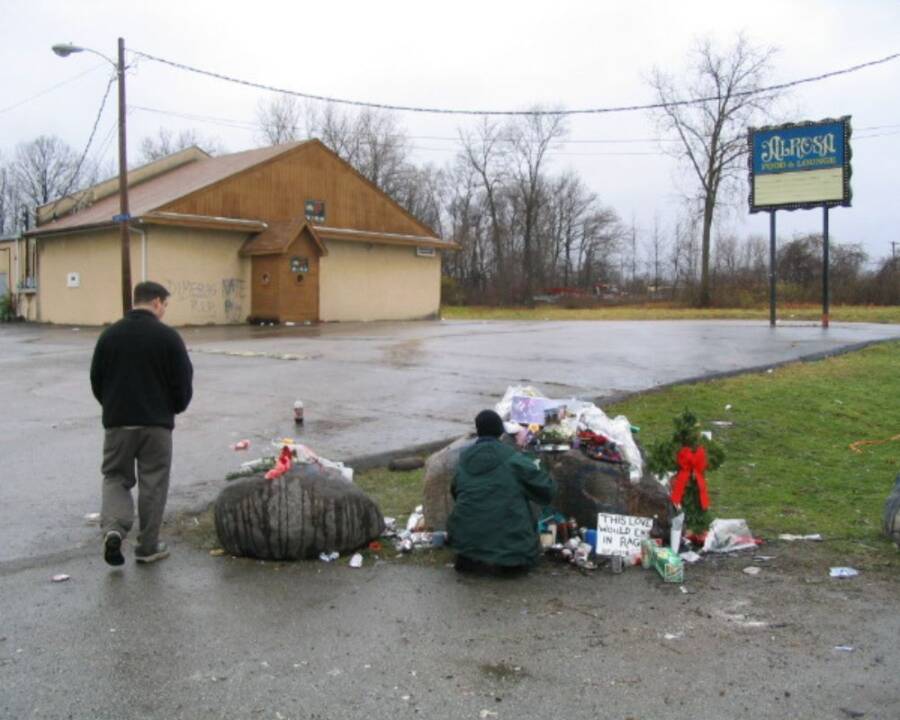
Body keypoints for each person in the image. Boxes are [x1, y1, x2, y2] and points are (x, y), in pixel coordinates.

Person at [90, 281, 193, 566]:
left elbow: (97, 380)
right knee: (154, 482)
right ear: (157, 302)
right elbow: (183, 384)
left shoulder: (109, 336)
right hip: (157, 425)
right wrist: (173, 408)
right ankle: (148, 547)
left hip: (118, 423)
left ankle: (114, 529)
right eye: (165, 305)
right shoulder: (168, 338)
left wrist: (113, 406)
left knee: (115, 478)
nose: (164, 311)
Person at [447, 409, 556, 575]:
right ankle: (507, 560)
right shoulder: (512, 459)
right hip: (511, 549)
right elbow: (546, 489)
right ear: (500, 431)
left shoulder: (464, 459)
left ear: (478, 431)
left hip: (466, 544)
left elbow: (455, 491)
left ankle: (475, 556)